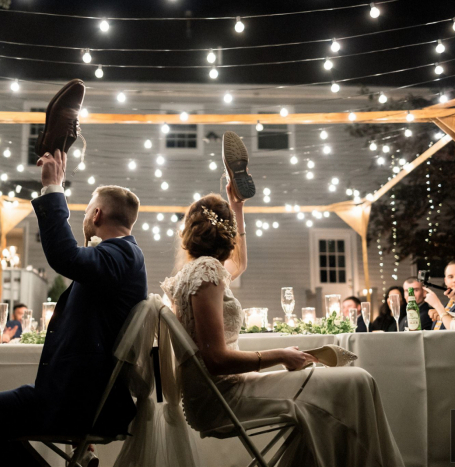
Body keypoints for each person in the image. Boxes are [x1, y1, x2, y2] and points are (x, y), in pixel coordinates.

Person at [161, 132, 404, 466]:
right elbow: (216, 359)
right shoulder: (206, 274)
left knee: (349, 385)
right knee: (358, 382)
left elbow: (240, 263)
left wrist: (237, 207)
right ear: (225, 235)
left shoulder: (196, 273)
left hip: (226, 390)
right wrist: (280, 355)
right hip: (223, 398)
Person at [0, 142, 148, 465]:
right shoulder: (118, 259)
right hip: (70, 397)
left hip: (74, 403)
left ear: (97, 214)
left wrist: (52, 187)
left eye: (88, 209)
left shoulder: (121, 254)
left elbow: (65, 256)